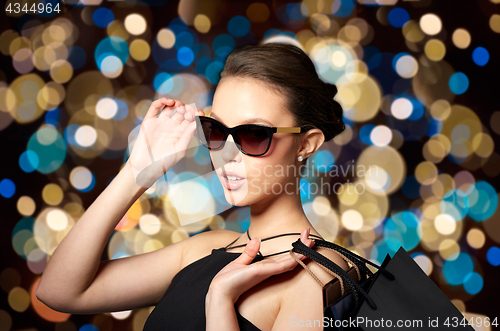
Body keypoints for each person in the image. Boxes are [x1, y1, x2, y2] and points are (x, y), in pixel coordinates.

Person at [36, 42, 349, 330]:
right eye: (214, 130)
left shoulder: (316, 272)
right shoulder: (205, 248)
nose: (225, 153)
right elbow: (59, 292)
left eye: (253, 134)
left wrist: (220, 301)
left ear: (306, 144)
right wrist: (137, 172)